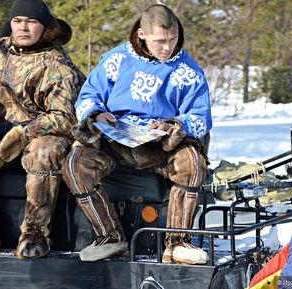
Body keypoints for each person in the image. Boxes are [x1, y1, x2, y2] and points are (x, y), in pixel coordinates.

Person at [62, 4, 212, 264]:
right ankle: (110, 238)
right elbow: (88, 96)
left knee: (193, 163)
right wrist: (97, 114)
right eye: (160, 41)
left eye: (172, 39)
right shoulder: (116, 60)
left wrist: (173, 125)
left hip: (161, 146)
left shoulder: (189, 72)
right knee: (75, 165)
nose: (167, 47)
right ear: (142, 34)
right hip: (114, 141)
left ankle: (177, 242)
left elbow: (200, 118)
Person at [0, 0, 85, 258]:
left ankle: (34, 235)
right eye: (17, 21)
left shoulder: (57, 64)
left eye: (31, 22)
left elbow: (65, 117)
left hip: (38, 137)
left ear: (45, 27)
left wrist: (25, 133)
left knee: (44, 150)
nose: (23, 28)